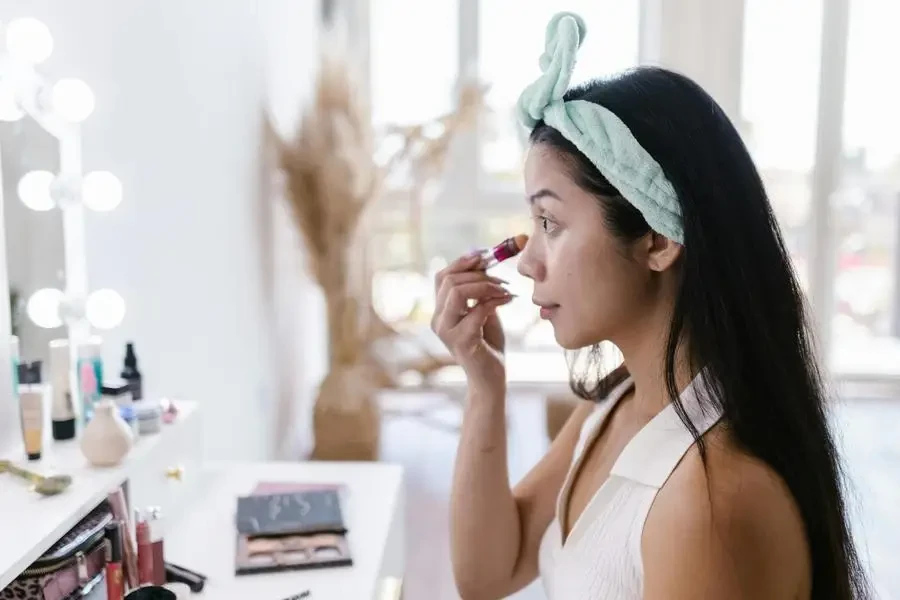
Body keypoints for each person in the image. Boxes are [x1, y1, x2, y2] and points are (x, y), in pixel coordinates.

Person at [430, 11, 871, 600]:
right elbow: (488, 574)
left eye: (550, 222)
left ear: (658, 240)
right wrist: (486, 387)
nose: (528, 260)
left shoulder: (708, 502)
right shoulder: (618, 406)